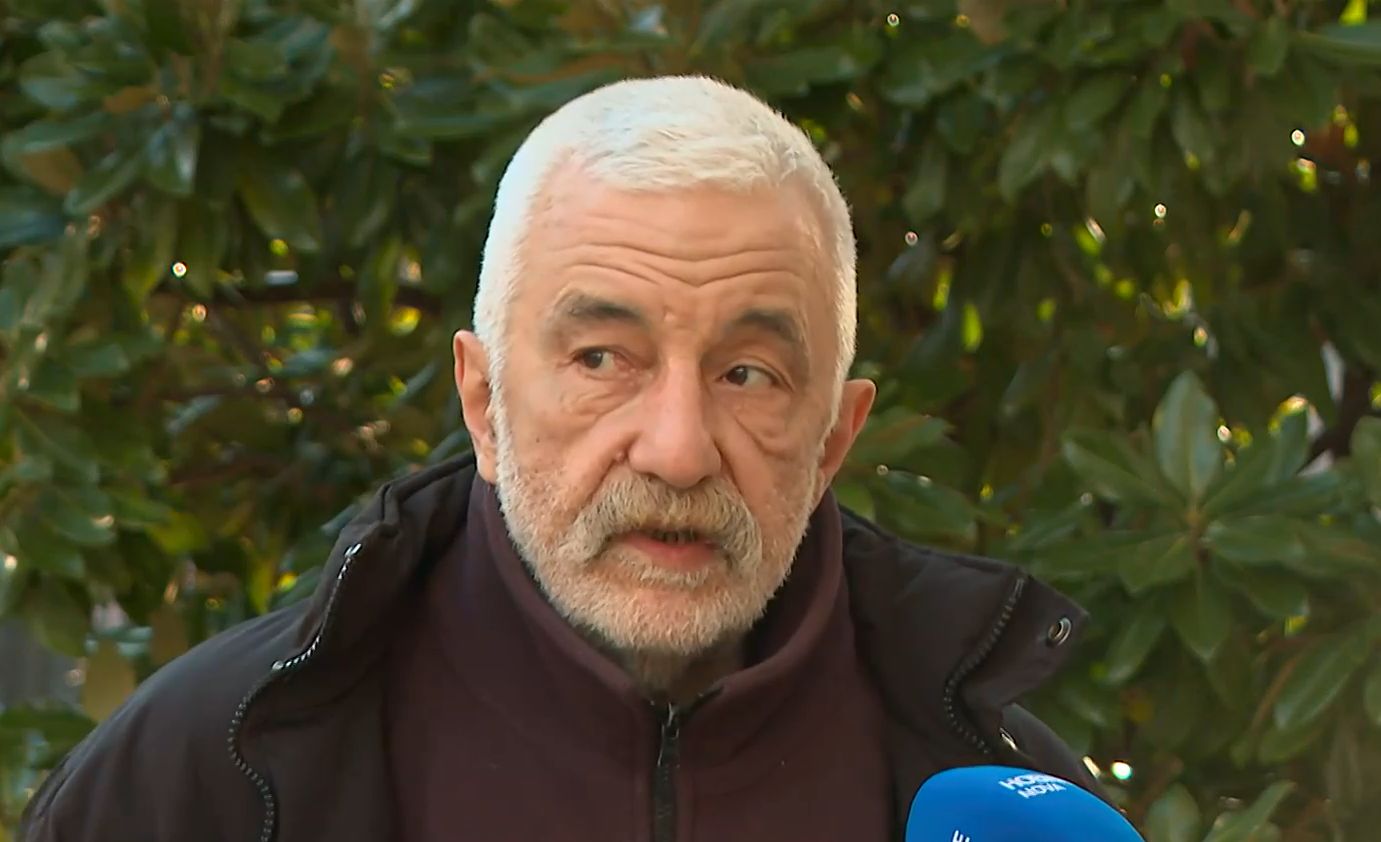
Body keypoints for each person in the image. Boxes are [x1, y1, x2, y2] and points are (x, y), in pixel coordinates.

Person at [19, 76, 1100, 842]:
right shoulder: (198, 775)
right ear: (483, 403)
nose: (677, 451)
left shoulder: (1006, 798)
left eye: (748, 374)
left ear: (835, 439)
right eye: (601, 359)